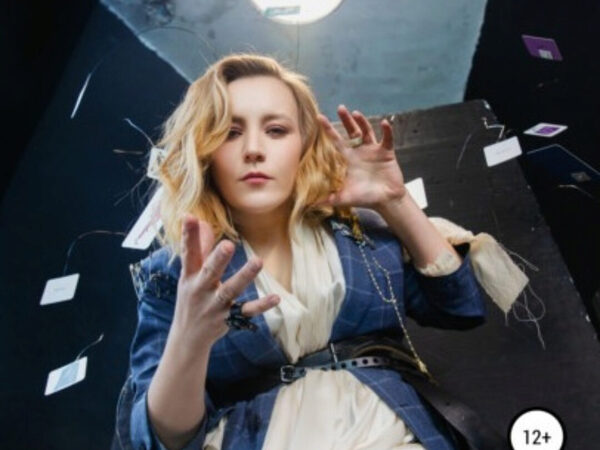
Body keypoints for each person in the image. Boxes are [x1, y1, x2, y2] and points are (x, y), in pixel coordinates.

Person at [115, 53, 492, 450]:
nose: (254, 149)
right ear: (204, 152)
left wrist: (395, 201)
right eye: (230, 132)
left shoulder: (358, 232)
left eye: (276, 130)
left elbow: (461, 308)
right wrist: (189, 339)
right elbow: (157, 440)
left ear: (304, 145)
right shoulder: (174, 274)